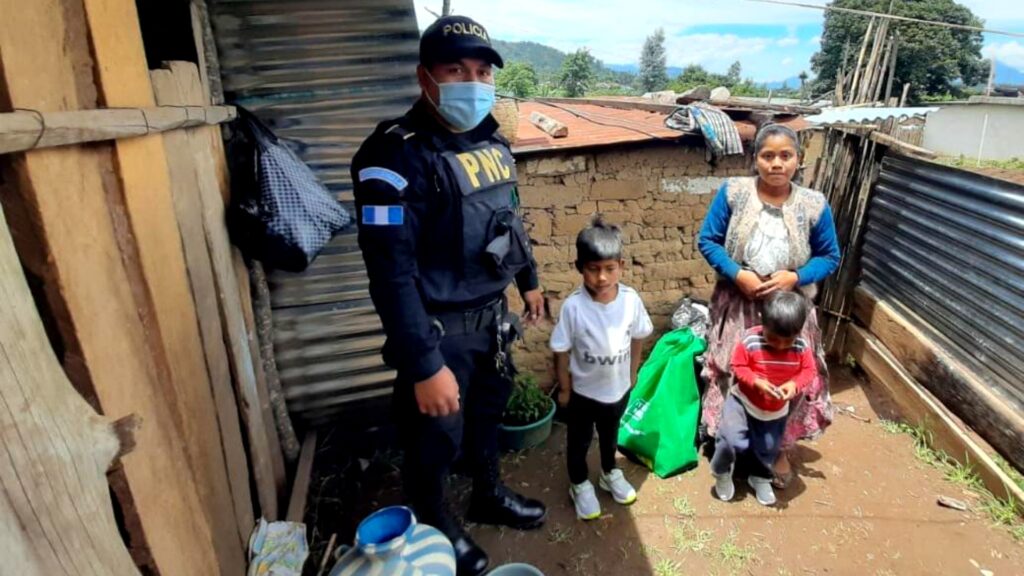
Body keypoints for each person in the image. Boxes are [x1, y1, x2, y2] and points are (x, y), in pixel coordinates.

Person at [350, 15, 546, 576]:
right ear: (425, 77)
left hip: (494, 322)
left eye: (481, 70)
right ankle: (434, 523)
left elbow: (509, 220)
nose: (472, 81)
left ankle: (487, 492)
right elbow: (390, 273)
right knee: (434, 437)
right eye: (455, 69)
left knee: (487, 417)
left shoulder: (491, 141)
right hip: (440, 332)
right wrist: (422, 364)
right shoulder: (392, 157)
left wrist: (528, 281)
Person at [697, 123, 841, 489]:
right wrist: (736, 273)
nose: (776, 163)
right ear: (755, 159)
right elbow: (708, 240)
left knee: (788, 376)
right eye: (767, 155)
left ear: (798, 160)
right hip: (739, 303)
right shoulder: (733, 193)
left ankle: (776, 448)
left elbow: (830, 256)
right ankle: (730, 442)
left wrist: (795, 277)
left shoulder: (813, 204)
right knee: (734, 370)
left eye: (785, 155)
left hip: (790, 312)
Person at [550, 217, 653, 521]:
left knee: (610, 436)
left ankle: (609, 472)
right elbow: (560, 350)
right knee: (579, 441)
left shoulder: (631, 301)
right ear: (579, 266)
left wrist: (633, 372)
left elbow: (637, 339)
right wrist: (566, 388)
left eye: (609, 268)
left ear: (621, 265)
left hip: (618, 389)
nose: (602, 277)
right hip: (583, 394)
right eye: (593, 269)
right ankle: (579, 483)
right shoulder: (573, 307)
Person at [711, 291, 817, 506]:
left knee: (768, 447)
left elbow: (808, 371)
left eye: (787, 340)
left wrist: (793, 385)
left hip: (775, 410)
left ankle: (759, 477)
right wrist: (756, 382)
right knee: (729, 439)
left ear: (798, 333)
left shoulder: (801, 348)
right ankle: (722, 473)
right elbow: (738, 366)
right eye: (773, 339)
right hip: (743, 402)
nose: (779, 345)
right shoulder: (750, 341)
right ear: (763, 322)